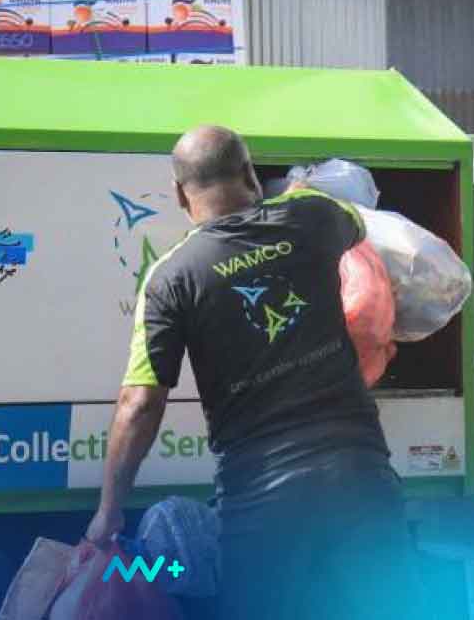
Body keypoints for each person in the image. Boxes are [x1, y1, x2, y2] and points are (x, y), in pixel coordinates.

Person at [84, 125, 424, 619]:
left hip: (260, 500)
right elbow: (357, 223)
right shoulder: (312, 216)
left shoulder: (171, 279)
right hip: (358, 476)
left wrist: (109, 511)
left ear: (180, 194)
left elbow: (139, 405)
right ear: (250, 173)